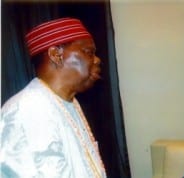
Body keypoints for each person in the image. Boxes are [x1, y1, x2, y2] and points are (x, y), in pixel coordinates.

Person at [1, 18, 106, 178]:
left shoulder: (68, 103)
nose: (97, 60)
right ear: (56, 55)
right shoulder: (29, 110)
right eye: (88, 52)